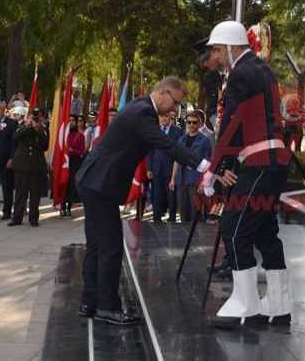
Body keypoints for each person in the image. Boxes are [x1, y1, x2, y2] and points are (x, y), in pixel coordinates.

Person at [75, 76, 212, 326]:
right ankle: (107, 307)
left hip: (94, 181)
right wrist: (205, 165)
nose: (174, 110)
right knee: (110, 246)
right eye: (175, 103)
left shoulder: (140, 107)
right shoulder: (143, 113)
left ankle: (89, 302)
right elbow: (166, 145)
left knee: (96, 245)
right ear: (163, 92)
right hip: (100, 184)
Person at [204, 20, 292, 329]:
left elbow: (231, 125)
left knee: (234, 227)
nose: (214, 57)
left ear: (230, 47)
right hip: (271, 160)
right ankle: (279, 305)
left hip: (259, 161)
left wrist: (215, 169)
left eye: (216, 50)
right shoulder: (261, 69)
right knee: (264, 230)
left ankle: (246, 305)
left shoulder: (241, 73)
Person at [9, 107, 48, 227]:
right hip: (22, 164)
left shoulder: (44, 129)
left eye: (38, 116)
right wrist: (28, 126)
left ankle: (34, 218)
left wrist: (39, 130)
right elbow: (15, 137)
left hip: (36, 165)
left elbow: (45, 146)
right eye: (33, 116)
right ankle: (17, 218)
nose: (36, 118)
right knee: (20, 193)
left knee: (35, 194)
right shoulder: (22, 126)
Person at [171, 110, 211, 223]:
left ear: (199, 124)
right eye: (189, 122)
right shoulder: (181, 139)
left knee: (196, 213)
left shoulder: (205, 141)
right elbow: (176, 160)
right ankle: (185, 239)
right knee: (183, 212)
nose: (191, 125)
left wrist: (203, 183)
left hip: (195, 181)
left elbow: (208, 164)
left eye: (194, 122)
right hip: (181, 180)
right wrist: (173, 179)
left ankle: (197, 239)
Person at [147, 111, 183, 223]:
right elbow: (150, 150)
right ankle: (156, 217)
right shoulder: (155, 130)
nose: (163, 119)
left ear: (170, 118)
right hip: (157, 167)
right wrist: (149, 168)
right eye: (161, 116)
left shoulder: (177, 132)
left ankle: (172, 217)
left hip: (171, 168)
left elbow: (179, 150)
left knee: (171, 194)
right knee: (157, 193)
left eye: (166, 116)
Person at [61, 117, 86, 217]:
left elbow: (82, 152)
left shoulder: (80, 136)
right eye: (69, 120)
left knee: (71, 185)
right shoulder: (63, 134)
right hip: (64, 162)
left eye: (73, 120)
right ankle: (62, 206)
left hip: (75, 163)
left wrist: (72, 151)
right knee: (63, 183)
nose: (71, 122)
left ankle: (69, 207)